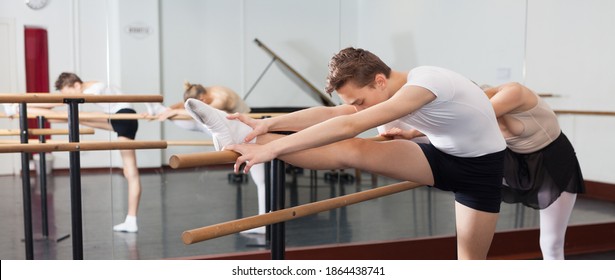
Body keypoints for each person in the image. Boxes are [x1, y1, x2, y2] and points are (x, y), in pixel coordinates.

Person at [183, 47, 507, 259]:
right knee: (352, 151)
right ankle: (240, 134)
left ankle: (255, 142)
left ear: (380, 81)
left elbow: (347, 125)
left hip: (482, 172)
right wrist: (264, 125)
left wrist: (274, 148)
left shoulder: (425, 83)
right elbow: (335, 116)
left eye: (360, 101)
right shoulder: (387, 91)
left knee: (469, 266)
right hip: (439, 155)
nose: (355, 108)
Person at [24, 72, 143, 233]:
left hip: (124, 118)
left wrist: (30, 102)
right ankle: (22, 109)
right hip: (119, 118)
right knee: (66, 117)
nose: (67, 98)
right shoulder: (93, 85)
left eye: (68, 93)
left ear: (77, 86)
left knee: (131, 172)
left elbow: (58, 103)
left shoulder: (93, 90)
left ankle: (131, 219)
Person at [146, 81, 266, 234]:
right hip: (238, 129)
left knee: (261, 179)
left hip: (246, 131)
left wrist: (167, 113)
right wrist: (170, 109)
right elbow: (188, 105)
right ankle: (263, 221)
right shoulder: (206, 91)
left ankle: (264, 222)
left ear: (203, 98)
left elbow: (202, 112)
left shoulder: (221, 98)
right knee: (261, 180)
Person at [482, 82, 585, 259]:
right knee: (548, 243)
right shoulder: (487, 117)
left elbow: (470, 117)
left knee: (551, 243)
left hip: (553, 162)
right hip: (519, 163)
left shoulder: (513, 92)